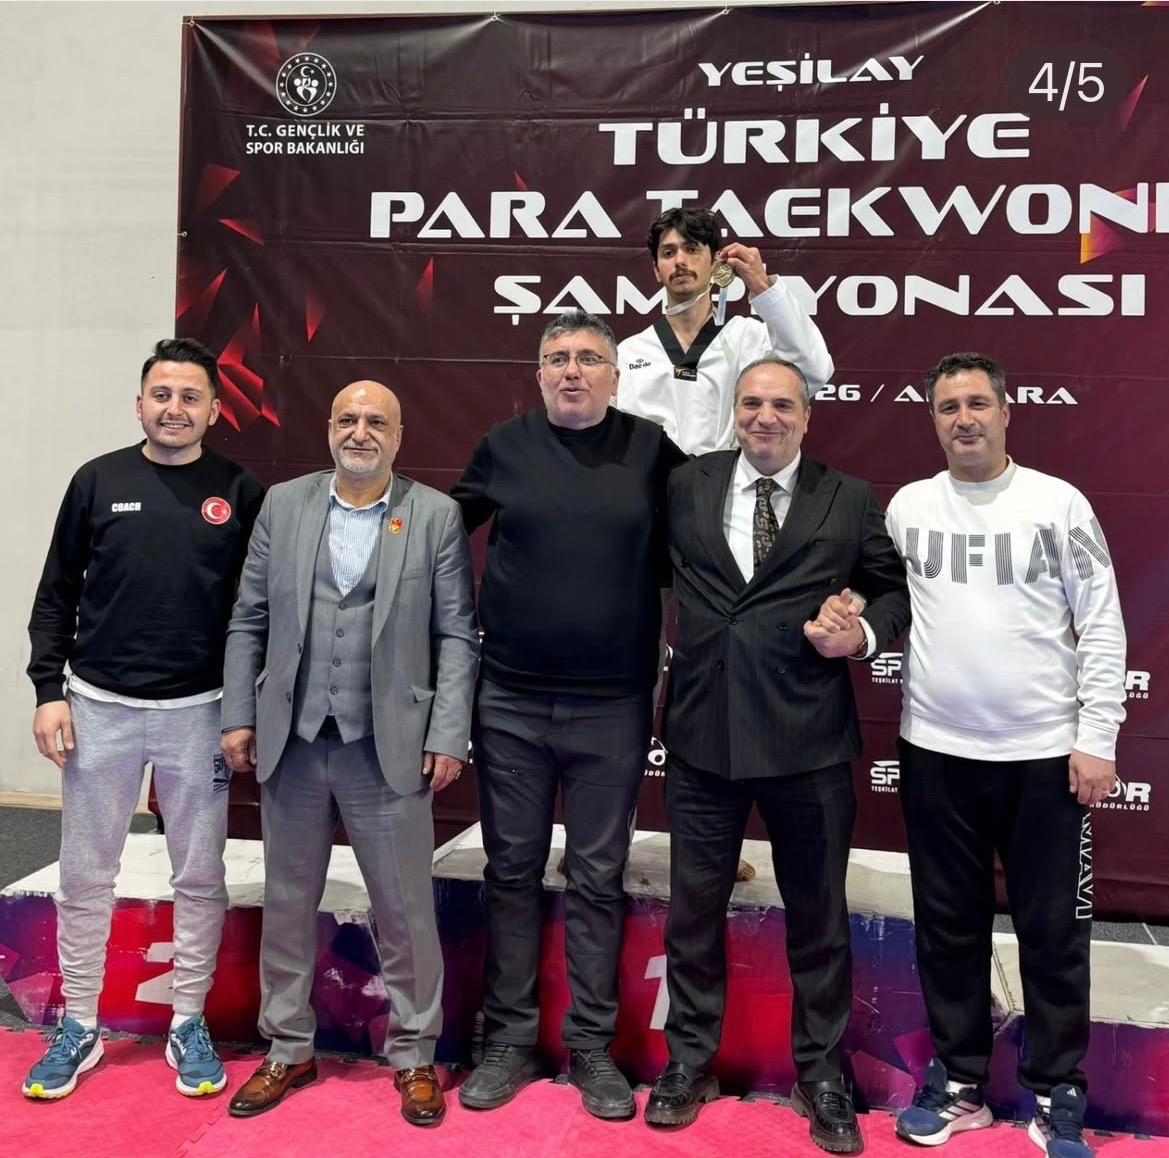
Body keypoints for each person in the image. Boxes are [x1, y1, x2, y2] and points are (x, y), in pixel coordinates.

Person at [822, 353, 1124, 1158]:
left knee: (1052, 933)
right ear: (932, 419)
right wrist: (851, 619)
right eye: (948, 407)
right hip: (936, 753)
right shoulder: (909, 507)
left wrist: (1096, 738)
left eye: (976, 404)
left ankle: (1055, 1089)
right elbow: (880, 597)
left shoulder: (1056, 503)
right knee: (947, 930)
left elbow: (1100, 621)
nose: (963, 419)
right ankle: (960, 1084)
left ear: (1004, 412)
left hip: (1043, 758)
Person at [645, 355, 910, 1154]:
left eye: (782, 405)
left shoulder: (847, 497)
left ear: (806, 416)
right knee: (692, 915)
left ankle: (820, 1075)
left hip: (808, 741)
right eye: (752, 403)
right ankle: (688, 1062)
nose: (765, 417)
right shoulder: (685, 484)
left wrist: (857, 635)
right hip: (701, 737)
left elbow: (891, 589)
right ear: (735, 411)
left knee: (818, 919)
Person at [220, 380, 479, 1127]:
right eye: (347, 419)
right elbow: (248, 617)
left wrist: (447, 733)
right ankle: (287, 1047)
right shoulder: (284, 504)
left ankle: (414, 1055)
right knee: (287, 903)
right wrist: (238, 714)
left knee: (404, 911)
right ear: (328, 428)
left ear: (398, 437)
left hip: (388, 747)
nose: (359, 432)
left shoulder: (434, 515)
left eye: (375, 422)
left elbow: (456, 634)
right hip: (293, 743)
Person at [451, 310, 686, 1121]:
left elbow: (709, 540)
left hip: (611, 706)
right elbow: (437, 538)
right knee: (511, 872)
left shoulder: (651, 451)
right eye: (557, 357)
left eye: (588, 358)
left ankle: (590, 1046)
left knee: (595, 877)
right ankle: (509, 1041)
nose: (572, 370)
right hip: (509, 701)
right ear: (539, 373)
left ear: (615, 376)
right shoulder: (504, 446)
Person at [24, 337, 265, 1100]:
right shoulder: (97, 481)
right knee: (85, 874)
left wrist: (245, 707)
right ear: (139, 404)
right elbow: (56, 593)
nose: (174, 408)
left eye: (190, 397)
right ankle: (80, 1023)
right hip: (100, 708)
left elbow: (260, 610)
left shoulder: (239, 490)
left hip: (200, 714)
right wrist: (48, 690)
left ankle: (188, 1019)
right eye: (162, 394)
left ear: (214, 410)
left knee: (200, 873)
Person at [615, 205, 834, 455]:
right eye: (668, 253)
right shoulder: (629, 353)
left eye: (692, 249)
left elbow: (815, 370)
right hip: (651, 478)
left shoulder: (751, 339)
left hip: (727, 476)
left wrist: (762, 286)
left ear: (715, 262)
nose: (680, 261)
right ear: (656, 270)